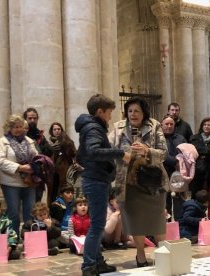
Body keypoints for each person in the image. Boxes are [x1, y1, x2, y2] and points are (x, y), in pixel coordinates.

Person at [108, 96, 168, 267]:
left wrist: (147, 151)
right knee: (136, 221)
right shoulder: (118, 128)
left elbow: (164, 153)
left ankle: (163, 253)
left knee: (157, 220)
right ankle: (140, 255)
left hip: (153, 182)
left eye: (137, 111)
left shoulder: (155, 125)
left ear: (144, 113)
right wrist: (123, 154)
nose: (133, 114)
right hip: (128, 183)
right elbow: (108, 149)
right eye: (130, 111)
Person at [75, 94, 130, 275]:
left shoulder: (92, 126)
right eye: (109, 113)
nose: (110, 117)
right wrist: (120, 153)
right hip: (95, 180)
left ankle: (97, 262)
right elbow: (93, 151)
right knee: (98, 225)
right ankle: (89, 265)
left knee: (97, 223)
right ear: (100, 111)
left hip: (97, 179)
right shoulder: (93, 128)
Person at [0, 114, 38, 235]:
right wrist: (20, 167)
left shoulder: (29, 141)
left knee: (30, 213)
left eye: (20, 126)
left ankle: (29, 239)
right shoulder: (2, 142)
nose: (19, 129)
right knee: (13, 213)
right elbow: (0, 161)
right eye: (15, 127)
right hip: (11, 182)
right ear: (9, 128)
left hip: (29, 182)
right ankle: (13, 240)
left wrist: (34, 166)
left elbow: (36, 157)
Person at [23, 107, 52, 202]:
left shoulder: (40, 136)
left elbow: (48, 152)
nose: (32, 120)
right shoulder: (21, 136)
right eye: (30, 118)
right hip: (24, 175)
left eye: (34, 118)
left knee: (37, 203)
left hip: (38, 176)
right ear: (25, 119)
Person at [47, 122, 77, 204]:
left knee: (65, 193)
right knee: (52, 194)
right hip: (52, 173)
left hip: (65, 173)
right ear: (51, 131)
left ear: (61, 130)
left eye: (58, 129)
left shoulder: (67, 142)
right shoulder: (48, 143)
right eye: (54, 129)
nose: (57, 131)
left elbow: (75, 154)